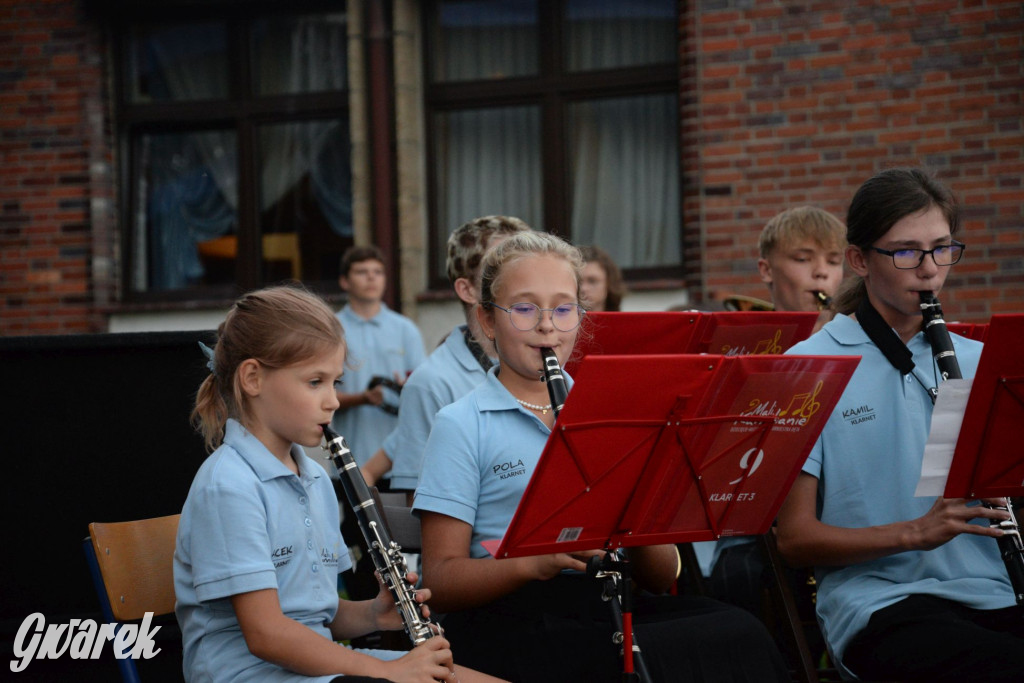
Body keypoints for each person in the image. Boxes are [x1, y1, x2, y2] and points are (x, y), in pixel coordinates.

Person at [413, 231, 790, 682]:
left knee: (739, 631)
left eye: (563, 308)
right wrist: (537, 561)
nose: (547, 325)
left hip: (609, 601)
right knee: (631, 657)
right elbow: (440, 581)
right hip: (511, 618)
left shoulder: (615, 412)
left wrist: (636, 511)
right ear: (488, 321)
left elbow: (662, 571)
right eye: (524, 308)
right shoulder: (462, 423)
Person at [173, 284, 502, 683]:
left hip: (312, 670)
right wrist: (389, 670)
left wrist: (372, 613)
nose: (331, 401)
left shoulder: (312, 478)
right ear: (253, 378)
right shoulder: (229, 486)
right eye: (315, 382)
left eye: (336, 383)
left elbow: (315, 613)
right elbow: (267, 635)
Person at [776, 167, 1024, 682]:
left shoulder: (984, 362)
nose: (930, 270)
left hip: (996, 590)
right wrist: (914, 533)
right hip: (881, 605)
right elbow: (796, 541)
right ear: (860, 260)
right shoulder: (808, 366)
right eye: (907, 252)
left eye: (942, 249)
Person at [705, 206, 847, 613]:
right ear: (766, 270)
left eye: (833, 262)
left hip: (841, 515)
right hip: (753, 527)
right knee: (738, 580)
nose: (821, 274)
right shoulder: (743, 350)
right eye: (803, 259)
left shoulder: (855, 341)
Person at [360, 216, 532, 494]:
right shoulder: (431, 383)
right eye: (500, 267)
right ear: (467, 289)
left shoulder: (544, 363)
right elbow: (414, 501)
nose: (522, 279)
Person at [331, 245, 425, 469]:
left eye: (378, 272)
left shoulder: (405, 329)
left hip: (398, 462)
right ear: (345, 281)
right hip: (349, 459)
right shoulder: (331, 329)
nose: (371, 278)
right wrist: (363, 398)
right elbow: (317, 394)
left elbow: (423, 389)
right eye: (362, 272)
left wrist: (408, 389)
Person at [579, 244, 626, 312]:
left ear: (609, 283)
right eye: (578, 281)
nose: (583, 288)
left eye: (592, 281)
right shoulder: (558, 321)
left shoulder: (625, 322)